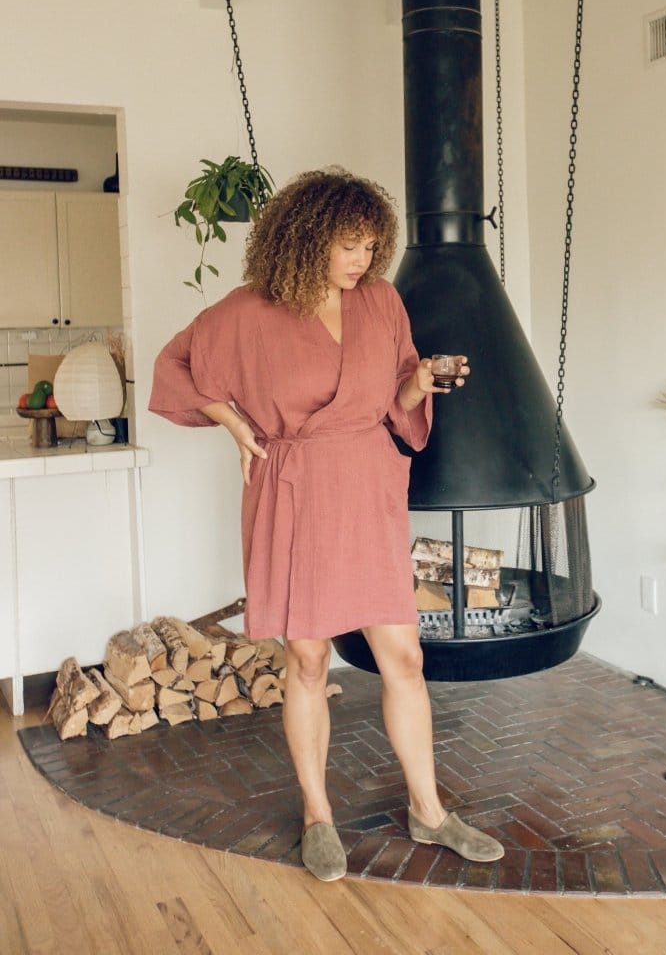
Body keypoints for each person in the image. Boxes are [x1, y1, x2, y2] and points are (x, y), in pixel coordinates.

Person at [149, 167, 504, 881]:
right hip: (296, 492)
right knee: (309, 661)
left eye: (371, 246)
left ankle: (429, 811)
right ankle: (317, 816)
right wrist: (232, 423)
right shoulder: (249, 310)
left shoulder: (381, 302)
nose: (362, 260)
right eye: (349, 245)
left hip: (367, 487)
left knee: (405, 659)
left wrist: (420, 381)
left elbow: (396, 398)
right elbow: (173, 364)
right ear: (307, 238)